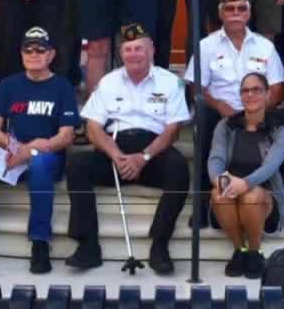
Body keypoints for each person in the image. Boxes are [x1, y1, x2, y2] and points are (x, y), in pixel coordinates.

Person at [65, 22, 191, 274]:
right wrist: (116, 155)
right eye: (128, 49)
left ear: (152, 50)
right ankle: (87, 245)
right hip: (116, 150)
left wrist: (143, 157)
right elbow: (92, 127)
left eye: (139, 48)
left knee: (179, 169)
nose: (133, 54)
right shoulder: (109, 82)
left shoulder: (170, 82)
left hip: (153, 151)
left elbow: (173, 130)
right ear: (121, 53)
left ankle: (160, 244)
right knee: (77, 164)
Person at [0, 26, 79, 274]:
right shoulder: (8, 85)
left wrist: (33, 149)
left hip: (46, 155)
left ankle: (39, 242)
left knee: (40, 164)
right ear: (21, 53)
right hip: (11, 152)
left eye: (40, 49)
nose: (34, 54)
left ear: (51, 54)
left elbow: (66, 136)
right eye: (28, 49)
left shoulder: (62, 86)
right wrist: (16, 147)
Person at [187, 0, 284, 226]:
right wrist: (218, 104)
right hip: (222, 112)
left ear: (249, 13)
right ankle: (202, 205)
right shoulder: (206, 45)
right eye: (230, 8)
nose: (235, 13)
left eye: (241, 8)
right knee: (203, 116)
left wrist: (260, 109)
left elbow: (277, 87)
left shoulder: (265, 46)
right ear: (221, 13)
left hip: (258, 112)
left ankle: (282, 204)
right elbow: (195, 86)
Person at [209, 72, 284, 279]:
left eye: (256, 90)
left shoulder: (280, 131)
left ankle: (255, 251)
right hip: (230, 194)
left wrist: (244, 184)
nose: (250, 94)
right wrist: (220, 180)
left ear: (267, 94)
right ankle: (240, 250)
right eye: (245, 90)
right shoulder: (226, 126)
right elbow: (216, 159)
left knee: (251, 196)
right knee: (218, 193)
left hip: (265, 199)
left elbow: (270, 167)